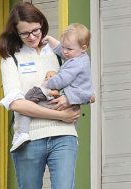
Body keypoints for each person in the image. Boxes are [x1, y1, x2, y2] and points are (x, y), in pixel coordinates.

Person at [0, 2, 81, 189]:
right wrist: (59, 113)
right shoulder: (11, 58)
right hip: (28, 139)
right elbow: (17, 103)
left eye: (37, 30)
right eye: (26, 34)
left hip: (64, 137)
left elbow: (81, 78)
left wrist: (74, 104)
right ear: (15, 34)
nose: (33, 37)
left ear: (43, 25)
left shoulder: (59, 51)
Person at [9, 23, 95, 152]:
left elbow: (62, 79)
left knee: (29, 99)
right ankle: (24, 133)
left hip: (65, 97)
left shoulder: (76, 63)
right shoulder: (77, 55)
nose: (65, 52)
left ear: (83, 48)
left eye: (69, 49)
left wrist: (47, 83)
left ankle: (22, 133)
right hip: (70, 98)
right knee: (26, 104)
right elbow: (61, 49)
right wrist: (49, 39)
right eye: (64, 47)